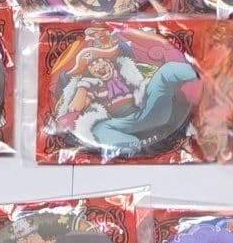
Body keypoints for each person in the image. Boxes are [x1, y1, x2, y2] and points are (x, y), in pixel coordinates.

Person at [50, 28, 199, 155]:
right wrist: (82, 86)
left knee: (167, 71)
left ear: (111, 62)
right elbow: (75, 107)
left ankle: (200, 78)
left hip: (148, 110)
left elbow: (150, 79)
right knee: (100, 129)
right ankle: (131, 146)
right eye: (92, 66)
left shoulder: (129, 73)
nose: (98, 66)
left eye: (101, 60)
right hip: (123, 123)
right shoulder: (95, 89)